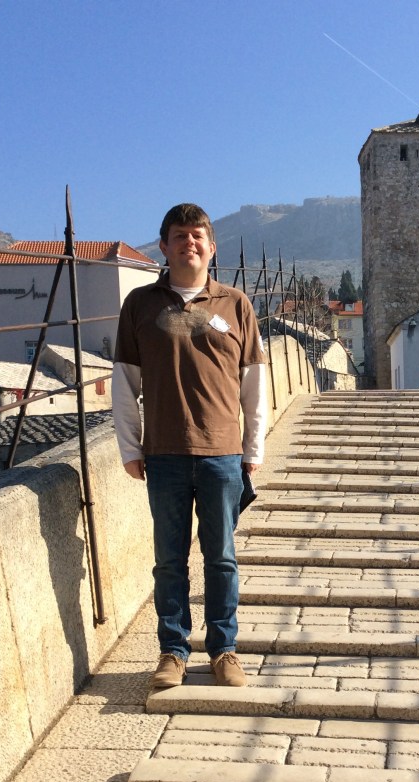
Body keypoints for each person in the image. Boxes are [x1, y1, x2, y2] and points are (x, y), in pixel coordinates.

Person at [112, 203, 267, 690]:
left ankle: (224, 650)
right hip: (163, 454)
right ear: (164, 246)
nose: (189, 244)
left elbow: (254, 382)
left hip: (222, 453)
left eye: (198, 236)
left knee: (221, 557)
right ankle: (173, 652)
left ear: (211, 246)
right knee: (169, 559)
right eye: (180, 236)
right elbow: (124, 381)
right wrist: (129, 447)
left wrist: (252, 449)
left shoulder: (236, 304)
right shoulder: (140, 304)